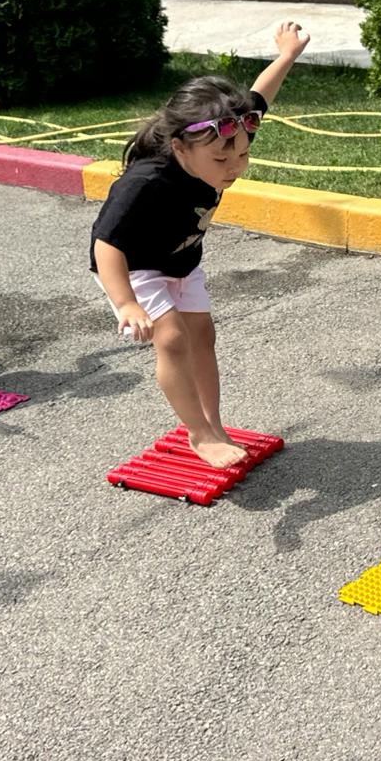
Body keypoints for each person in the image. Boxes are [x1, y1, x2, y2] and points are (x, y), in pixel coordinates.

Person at [90, 24, 308, 473]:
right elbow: (106, 246)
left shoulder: (227, 132)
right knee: (171, 338)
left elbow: (260, 96)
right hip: (134, 267)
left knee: (202, 336)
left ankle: (213, 424)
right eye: (222, 160)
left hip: (181, 261)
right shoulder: (144, 183)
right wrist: (126, 303)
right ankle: (199, 434)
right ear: (180, 148)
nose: (234, 168)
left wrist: (286, 55)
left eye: (242, 156)